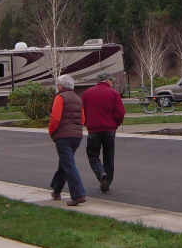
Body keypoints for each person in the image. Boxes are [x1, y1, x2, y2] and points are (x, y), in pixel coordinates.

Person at [81, 71, 126, 192]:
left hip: (94, 129)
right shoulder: (114, 93)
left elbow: (83, 111)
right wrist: (115, 124)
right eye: (111, 80)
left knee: (93, 155)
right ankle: (107, 181)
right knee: (109, 157)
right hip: (109, 130)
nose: (112, 83)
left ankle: (101, 173)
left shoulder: (87, 93)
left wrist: (87, 123)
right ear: (107, 80)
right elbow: (121, 112)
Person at [48, 74, 87, 206]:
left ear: (61, 86)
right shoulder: (77, 98)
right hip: (76, 136)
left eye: (57, 84)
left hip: (63, 136)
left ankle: (78, 194)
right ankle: (57, 189)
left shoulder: (60, 97)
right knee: (65, 162)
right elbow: (83, 119)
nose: (57, 86)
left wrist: (51, 131)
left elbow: (55, 117)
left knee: (68, 164)